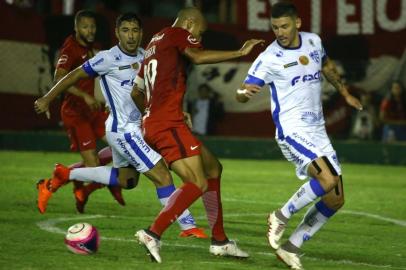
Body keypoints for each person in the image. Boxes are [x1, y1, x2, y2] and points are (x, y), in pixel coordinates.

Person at [34, 12, 207, 239]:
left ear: (142, 33)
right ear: (117, 33)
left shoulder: (148, 55)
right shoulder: (107, 58)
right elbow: (73, 75)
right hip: (124, 131)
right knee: (163, 176)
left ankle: (65, 174)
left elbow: (161, 89)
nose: (131, 36)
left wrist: (177, 110)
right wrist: (47, 98)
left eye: (135, 31)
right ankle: (188, 227)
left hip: (141, 128)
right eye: (125, 31)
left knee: (128, 180)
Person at [235, 3, 362, 269]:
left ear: (298, 23)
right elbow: (245, 90)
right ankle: (280, 215)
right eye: (275, 27)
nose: (279, 32)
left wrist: (345, 93)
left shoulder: (314, 42)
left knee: (336, 198)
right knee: (326, 180)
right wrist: (242, 95)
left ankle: (291, 247)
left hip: (318, 131)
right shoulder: (269, 57)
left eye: (284, 26)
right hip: (291, 130)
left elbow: (326, 65)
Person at [131, 7, 263, 263]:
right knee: (198, 183)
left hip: (160, 121)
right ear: (189, 23)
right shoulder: (178, 33)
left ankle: (220, 241)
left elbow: (136, 92)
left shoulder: (153, 43)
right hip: (167, 124)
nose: (199, 38)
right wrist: (240, 52)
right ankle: (152, 233)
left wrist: (153, 113)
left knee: (213, 169)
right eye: (199, 32)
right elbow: (197, 56)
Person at [36, 9, 124, 214]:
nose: (90, 30)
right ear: (76, 28)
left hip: (93, 110)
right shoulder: (70, 48)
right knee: (94, 168)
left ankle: (83, 190)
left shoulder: (95, 47)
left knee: (121, 147)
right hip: (76, 113)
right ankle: (50, 184)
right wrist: (84, 96)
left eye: (92, 26)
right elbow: (59, 79)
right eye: (85, 27)